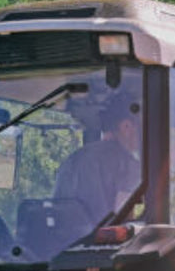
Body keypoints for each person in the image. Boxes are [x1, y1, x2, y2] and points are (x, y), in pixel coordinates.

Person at [54, 94, 142, 226]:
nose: (143, 135)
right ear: (126, 127)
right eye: (141, 127)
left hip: (67, 243)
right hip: (103, 243)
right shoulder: (128, 164)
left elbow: (57, 208)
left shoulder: (73, 159)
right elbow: (124, 218)